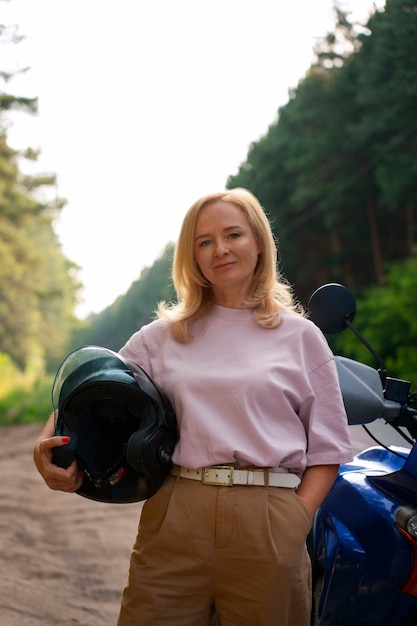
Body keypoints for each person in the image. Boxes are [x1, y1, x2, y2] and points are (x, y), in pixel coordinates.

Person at [34, 187, 353, 626]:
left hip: (268, 520)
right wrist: (48, 443)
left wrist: (295, 517)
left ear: (259, 242)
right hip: (175, 514)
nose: (219, 248)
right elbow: (91, 390)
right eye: (204, 241)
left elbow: (328, 449)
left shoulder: (301, 336)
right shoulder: (161, 337)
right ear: (193, 257)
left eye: (233, 234)